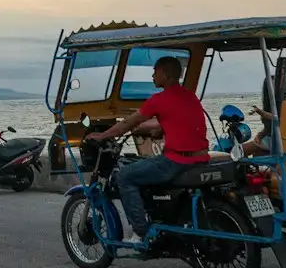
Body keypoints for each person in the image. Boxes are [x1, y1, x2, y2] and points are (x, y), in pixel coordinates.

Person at [84, 56, 210, 246]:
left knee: (125, 176)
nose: (152, 75)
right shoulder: (189, 96)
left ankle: (141, 233)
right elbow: (182, 122)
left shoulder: (158, 100)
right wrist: (159, 130)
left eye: (155, 71)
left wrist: (101, 136)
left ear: (166, 75)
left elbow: (127, 123)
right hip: (200, 158)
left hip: (177, 162)